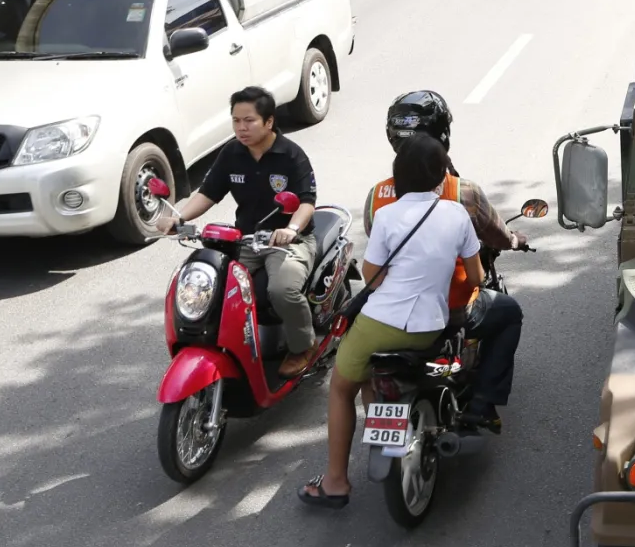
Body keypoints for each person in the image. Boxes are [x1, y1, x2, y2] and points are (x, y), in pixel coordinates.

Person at [298, 134, 483, 509]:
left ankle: (335, 481)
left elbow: (371, 276)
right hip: (431, 328)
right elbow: (477, 277)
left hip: (380, 325)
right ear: (441, 176)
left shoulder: (386, 216)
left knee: (341, 388)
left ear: (397, 176)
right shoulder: (457, 214)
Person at [363, 90, 527, 433]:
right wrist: (513, 240)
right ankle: (482, 405)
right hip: (451, 312)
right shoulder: (462, 193)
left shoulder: (376, 197)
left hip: (392, 313)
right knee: (509, 313)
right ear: (442, 137)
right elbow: (492, 242)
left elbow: (374, 266)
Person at [157, 87, 321, 379]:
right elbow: (208, 192)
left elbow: (307, 202)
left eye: (249, 121)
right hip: (246, 239)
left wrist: (291, 228)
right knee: (210, 285)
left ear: (269, 122)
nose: (241, 128)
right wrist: (178, 217)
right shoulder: (232, 153)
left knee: (281, 290)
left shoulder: (291, 155)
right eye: (236, 121)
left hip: (287, 241)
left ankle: (303, 347)